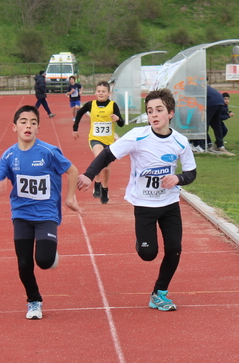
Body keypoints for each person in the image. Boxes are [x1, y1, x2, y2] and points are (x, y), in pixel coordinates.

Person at [76, 89, 197, 312]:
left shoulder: (180, 142)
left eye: (159, 110)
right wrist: (89, 174)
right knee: (148, 254)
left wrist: (177, 177)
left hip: (169, 204)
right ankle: (143, 242)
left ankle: (159, 293)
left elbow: (191, 173)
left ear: (170, 113)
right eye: (150, 111)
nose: (154, 114)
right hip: (144, 204)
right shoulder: (137, 136)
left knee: (174, 248)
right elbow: (106, 155)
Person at [0, 105, 80, 320]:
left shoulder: (48, 152)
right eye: (23, 121)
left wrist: (68, 198)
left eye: (32, 122)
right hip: (21, 214)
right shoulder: (9, 155)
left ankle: (50, 251)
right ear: (14, 127)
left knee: (44, 261)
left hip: (46, 213)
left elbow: (72, 170)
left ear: (38, 127)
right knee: (23, 263)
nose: (27, 125)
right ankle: (34, 301)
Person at [72, 80, 124, 204]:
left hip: (109, 141)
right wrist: (75, 129)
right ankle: (97, 181)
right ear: (95, 92)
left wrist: (117, 119)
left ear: (109, 93)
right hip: (95, 139)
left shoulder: (113, 105)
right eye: (99, 91)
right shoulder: (91, 104)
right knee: (100, 158)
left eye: (103, 91)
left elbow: (121, 123)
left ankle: (104, 188)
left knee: (106, 167)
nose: (101, 93)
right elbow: (79, 113)